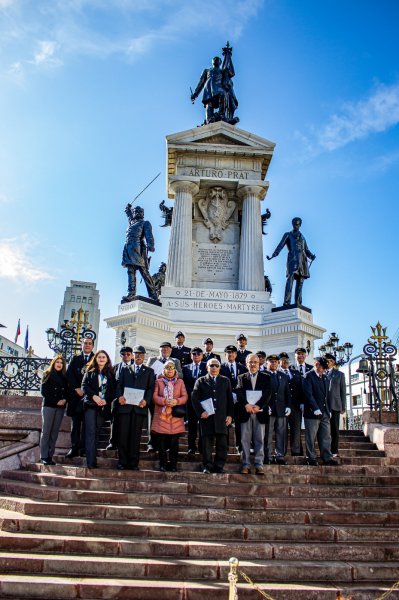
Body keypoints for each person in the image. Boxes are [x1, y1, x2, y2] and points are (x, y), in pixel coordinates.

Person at [114, 345, 155, 470]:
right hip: (125, 407)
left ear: (144, 357)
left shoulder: (149, 371)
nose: (138, 356)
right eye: (136, 354)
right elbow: (119, 385)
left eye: (141, 355)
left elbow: (150, 388)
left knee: (135, 437)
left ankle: (133, 463)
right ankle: (122, 462)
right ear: (133, 356)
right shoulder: (125, 369)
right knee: (123, 435)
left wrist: (146, 401)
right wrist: (120, 396)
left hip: (139, 408)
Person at [192, 359, 233, 474]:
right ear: (207, 367)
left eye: (216, 365)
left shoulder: (225, 381)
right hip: (207, 418)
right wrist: (200, 412)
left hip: (221, 418)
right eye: (211, 365)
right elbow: (194, 399)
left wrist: (230, 415)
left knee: (222, 444)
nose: (214, 368)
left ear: (220, 367)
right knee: (206, 444)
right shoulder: (200, 381)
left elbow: (230, 400)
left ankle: (219, 466)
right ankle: (207, 465)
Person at [267, 217, 316, 306]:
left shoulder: (303, 237)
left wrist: (311, 256)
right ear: (292, 224)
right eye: (294, 224)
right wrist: (274, 254)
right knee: (290, 279)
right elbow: (280, 245)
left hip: (302, 261)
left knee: (300, 282)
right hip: (292, 259)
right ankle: (287, 302)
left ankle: (298, 302)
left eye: (297, 224)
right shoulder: (288, 234)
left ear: (300, 225)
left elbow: (306, 249)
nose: (296, 225)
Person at [236, 354, 271, 475]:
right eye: (250, 362)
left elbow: (268, 393)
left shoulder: (266, 377)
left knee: (259, 439)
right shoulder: (241, 377)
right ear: (246, 364)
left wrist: (259, 406)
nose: (253, 364)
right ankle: (245, 464)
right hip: (245, 412)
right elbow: (239, 392)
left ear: (259, 363)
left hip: (259, 412)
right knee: (245, 439)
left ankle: (258, 464)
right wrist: (246, 405)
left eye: (255, 362)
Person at [152, 361, 188, 471]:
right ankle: (163, 464)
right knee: (161, 443)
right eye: (167, 368)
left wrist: (176, 401)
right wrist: (164, 401)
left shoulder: (180, 382)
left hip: (175, 417)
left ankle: (173, 465)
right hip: (162, 416)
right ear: (164, 370)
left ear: (175, 370)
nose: (170, 370)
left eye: (172, 368)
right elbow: (154, 396)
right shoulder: (158, 381)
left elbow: (185, 396)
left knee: (174, 444)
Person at [82, 350, 115, 469]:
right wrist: (94, 396)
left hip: (103, 407)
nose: (101, 359)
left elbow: (113, 390)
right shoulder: (90, 371)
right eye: (99, 357)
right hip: (91, 405)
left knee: (96, 432)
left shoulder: (110, 373)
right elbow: (84, 386)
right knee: (90, 433)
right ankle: (90, 462)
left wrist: (106, 400)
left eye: (103, 357)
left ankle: (93, 457)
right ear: (95, 359)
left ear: (107, 359)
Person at [190, 43, 238, 125]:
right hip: (208, 90)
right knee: (209, 104)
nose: (216, 59)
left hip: (218, 88)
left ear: (220, 62)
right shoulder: (207, 70)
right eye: (214, 59)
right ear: (212, 61)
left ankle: (222, 116)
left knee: (223, 94)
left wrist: (228, 56)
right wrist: (195, 94)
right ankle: (209, 120)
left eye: (218, 59)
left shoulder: (222, 71)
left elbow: (231, 73)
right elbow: (201, 83)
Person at [303, 357, 338, 466]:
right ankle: (311, 457)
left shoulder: (325, 378)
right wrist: (315, 408)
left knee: (326, 436)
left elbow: (326, 395)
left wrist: (328, 409)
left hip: (324, 412)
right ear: (317, 365)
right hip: (312, 412)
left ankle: (327, 457)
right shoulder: (308, 376)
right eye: (323, 367)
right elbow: (308, 394)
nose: (324, 370)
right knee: (311, 436)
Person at [121, 205, 157, 303]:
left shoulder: (145, 223)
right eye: (135, 211)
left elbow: (149, 235)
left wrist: (151, 245)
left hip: (138, 249)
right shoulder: (132, 222)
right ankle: (131, 293)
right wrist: (128, 209)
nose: (137, 212)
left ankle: (153, 294)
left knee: (144, 272)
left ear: (142, 213)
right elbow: (129, 216)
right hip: (128, 248)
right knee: (130, 271)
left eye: (139, 211)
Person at [66, 337, 94, 458]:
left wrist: (88, 391)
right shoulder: (75, 358)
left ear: (93, 346)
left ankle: (84, 449)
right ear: (81, 345)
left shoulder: (96, 359)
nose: (87, 345)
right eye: (85, 343)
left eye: (89, 343)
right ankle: (74, 448)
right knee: (75, 425)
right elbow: (69, 375)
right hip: (76, 397)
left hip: (90, 398)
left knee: (87, 426)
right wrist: (76, 388)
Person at [40, 355, 70, 465]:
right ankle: (44, 456)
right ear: (53, 363)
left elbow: (68, 391)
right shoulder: (47, 374)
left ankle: (50, 456)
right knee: (46, 431)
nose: (59, 364)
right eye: (57, 362)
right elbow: (44, 392)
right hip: (49, 406)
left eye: (61, 363)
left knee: (54, 432)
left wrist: (65, 400)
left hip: (61, 407)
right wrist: (56, 401)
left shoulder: (65, 377)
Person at [264, 354, 292, 465]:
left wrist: (288, 406)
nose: (274, 363)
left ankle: (280, 455)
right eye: (271, 361)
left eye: (275, 361)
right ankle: (268, 456)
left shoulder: (283, 376)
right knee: (268, 434)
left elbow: (287, 393)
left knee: (281, 433)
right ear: (267, 363)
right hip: (269, 409)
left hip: (281, 409)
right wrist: (265, 406)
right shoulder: (263, 375)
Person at [106, 346, 133, 451]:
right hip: (117, 399)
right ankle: (113, 442)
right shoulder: (115, 367)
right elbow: (112, 383)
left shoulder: (136, 366)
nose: (126, 356)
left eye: (128, 354)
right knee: (115, 421)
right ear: (120, 355)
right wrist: (118, 396)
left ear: (132, 355)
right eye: (123, 354)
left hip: (131, 400)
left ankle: (126, 444)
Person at [220, 344, 247, 452]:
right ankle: (224, 448)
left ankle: (239, 447)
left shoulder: (242, 367)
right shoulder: (221, 367)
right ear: (225, 355)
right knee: (225, 424)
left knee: (239, 425)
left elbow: (244, 384)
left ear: (236, 354)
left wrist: (237, 395)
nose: (230, 354)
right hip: (226, 400)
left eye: (232, 352)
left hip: (239, 401)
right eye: (228, 352)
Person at [182, 347, 207, 455]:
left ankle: (202, 447)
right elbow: (184, 383)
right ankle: (191, 447)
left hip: (202, 401)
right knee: (191, 425)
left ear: (202, 355)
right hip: (190, 400)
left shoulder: (207, 366)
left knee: (203, 425)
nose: (196, 356)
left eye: (198, 354)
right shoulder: (185, 367)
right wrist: (191, 395)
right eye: (194, 354)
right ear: (191, 355)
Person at [279, 352, 303, 456]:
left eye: (287, 359)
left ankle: (296, 451)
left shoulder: (296, 372)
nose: (285, 361)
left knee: (296, 430)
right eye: (283, 360)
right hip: (283, 406)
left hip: (296, 406)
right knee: (282, 431)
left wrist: (302, 402)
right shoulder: (278, 373)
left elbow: (301, 388)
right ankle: (282, 452)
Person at [325, 353, 346, 457]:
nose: (327, 363)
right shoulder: (321, 373)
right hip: (324, 405)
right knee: (324, 429)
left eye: (328, 361)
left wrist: (343, 406)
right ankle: (324, 449)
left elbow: (343, 391)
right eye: (325, 361)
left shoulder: (339, 374)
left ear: (333, 362)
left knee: (334, 429)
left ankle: (334, 450)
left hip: (335, 405)